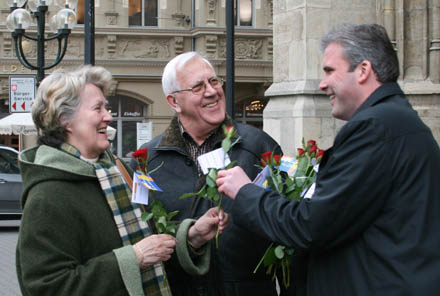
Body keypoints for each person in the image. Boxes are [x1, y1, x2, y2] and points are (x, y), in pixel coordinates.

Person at [216, 23, 440, 296]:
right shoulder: (394, 122)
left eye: (329, 71)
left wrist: (245, 192)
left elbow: (313, 225)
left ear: (363, 70)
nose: (322, 84)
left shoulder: (375, 128)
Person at [16, 65, 229, 296]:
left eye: (106, 107)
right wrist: (133, 258)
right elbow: (46, 288)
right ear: (65, 120)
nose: (108, 116)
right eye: (98, 108)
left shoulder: (120, 170)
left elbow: (152, 239)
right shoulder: (47, 195)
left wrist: (192, 236)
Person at [131, 51, 287, 296]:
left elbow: (286, 227)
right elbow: (140, 234)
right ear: (174, 102)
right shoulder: (146, 161)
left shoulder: (258, 147)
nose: (212, 91)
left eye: (214, 81)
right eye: (197, 86)